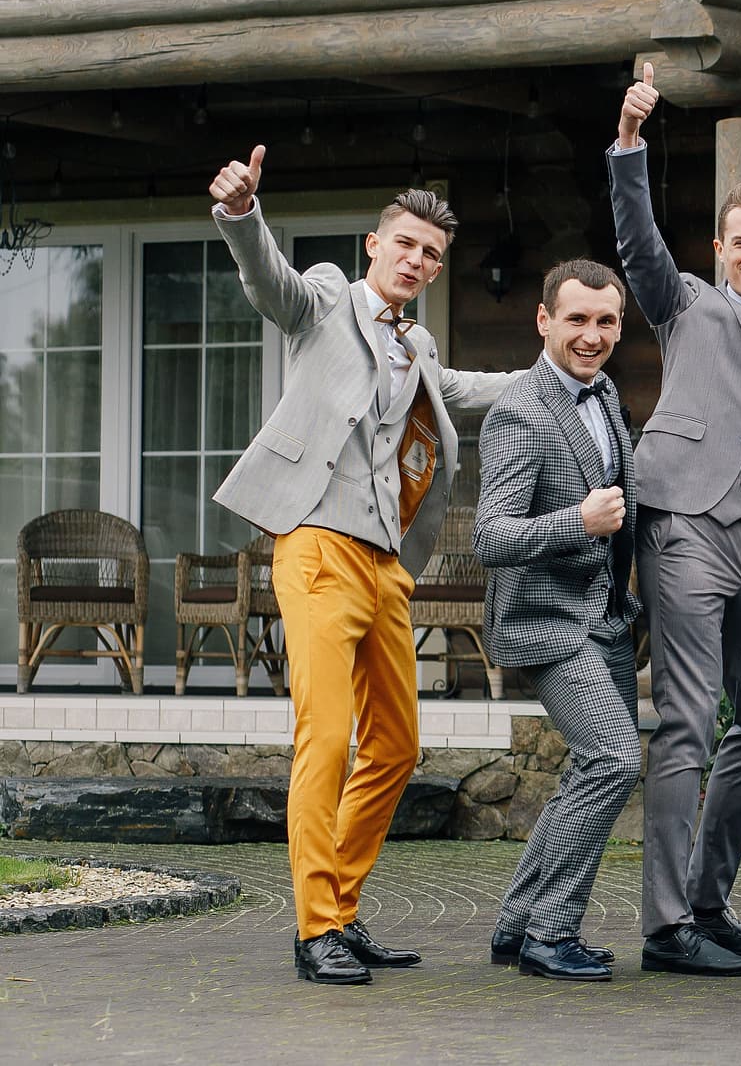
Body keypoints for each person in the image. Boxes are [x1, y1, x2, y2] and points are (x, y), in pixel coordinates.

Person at [206, 148, 517, 985]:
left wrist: (557, 374)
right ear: (375, 245)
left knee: (396, 745)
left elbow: (460, 391)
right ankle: (315, 930)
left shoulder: (416, 346)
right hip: (315, 548)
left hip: (386, 566)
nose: (418, 261)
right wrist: (242, 213)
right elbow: (267, 280)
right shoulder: (325, 302)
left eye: (433, 255)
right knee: (327, 738)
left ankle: (341, 906)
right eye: (407, 245)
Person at [608, 66, 741, 976]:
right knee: (690, 720)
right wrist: (629, 138)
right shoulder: (687, 303)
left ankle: (707, 899)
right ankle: (665, 931)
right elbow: (637, 242)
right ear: (720, 245)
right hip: (685, 528)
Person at [474, 259, 645, 982]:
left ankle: (516, 926)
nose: (592, 335)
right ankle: (550, 934)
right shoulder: (520, 410)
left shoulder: (605, 392)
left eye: (606, 321)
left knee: (591, 764)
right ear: (544, 320)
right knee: (613, 760)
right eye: (577, 319)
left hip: (605, 618)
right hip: (547, 620)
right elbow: (491, 536)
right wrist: (577, 520)